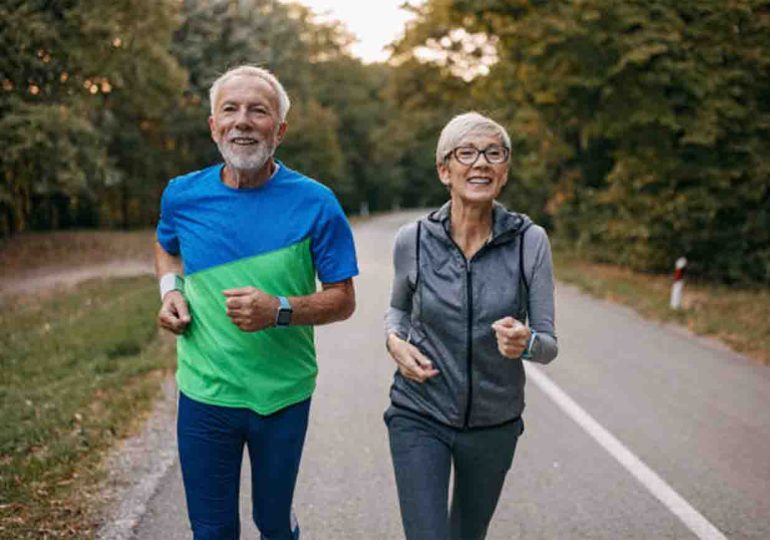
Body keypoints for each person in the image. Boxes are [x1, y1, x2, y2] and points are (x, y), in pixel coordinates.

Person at [154, 65, 358, 540]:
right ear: (213, 126)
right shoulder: (181, 196)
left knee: (273, 524)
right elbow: (166, 245)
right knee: (212, 530)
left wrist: (279, 310)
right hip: (205, 394)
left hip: (282, 396)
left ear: (279, 131)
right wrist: (170, 292)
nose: (242, 121)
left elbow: (343, 300)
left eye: (258, 111)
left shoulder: (317, 202)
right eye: (230, 109)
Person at [384, 112, 558, 540]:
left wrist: (526, 342)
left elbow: (548, 344)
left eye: (493, 153)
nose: (480, 162)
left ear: (504, 171)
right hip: (419, 412)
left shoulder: (529, 242)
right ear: (445, 169)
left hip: (494, 424)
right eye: (467, 153)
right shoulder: (414, 240)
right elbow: (397, 311)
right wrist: (393, 342)